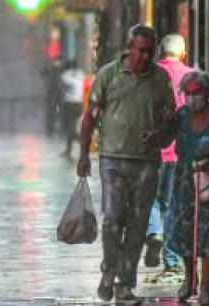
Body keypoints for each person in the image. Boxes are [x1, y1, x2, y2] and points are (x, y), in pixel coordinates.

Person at [77, 25, 177, 304]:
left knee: (137, 224)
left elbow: (172, 124)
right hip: (112, 160)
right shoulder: (109, 75)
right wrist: (84, 154)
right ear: (129, 48)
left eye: (148, 51)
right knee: (112, 219)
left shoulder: (161, 80)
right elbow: (90, 117)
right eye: (139, 50)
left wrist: (160, 135)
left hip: (146, 162)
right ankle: (109, 269)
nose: (143, 57)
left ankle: (125, 284)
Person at [163, 69, 209, 306]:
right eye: (187, 93)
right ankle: (189, 278)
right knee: (184, 229)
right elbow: (164, 138)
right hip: (184, 180)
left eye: (196, 93)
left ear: (206, 93)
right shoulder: (181, 115)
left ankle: (205, 285)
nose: (191, 98)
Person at [143, 33, 192, 270]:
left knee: (150, 197)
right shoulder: (192, 77)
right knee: (173, 203)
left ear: (160, 51)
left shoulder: (149, 76)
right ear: (183, 54)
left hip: (153, 149)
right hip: (181, 151)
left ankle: (153, 233)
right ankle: (171, 259)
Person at [59, 60, 86, 157]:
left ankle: (82, 144)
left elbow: (61, 88)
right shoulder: (81, 75)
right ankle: (70, 149)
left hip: (69, 104)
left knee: (69, 127)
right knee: (72, 127)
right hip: (78, 103)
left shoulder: (65, 75)